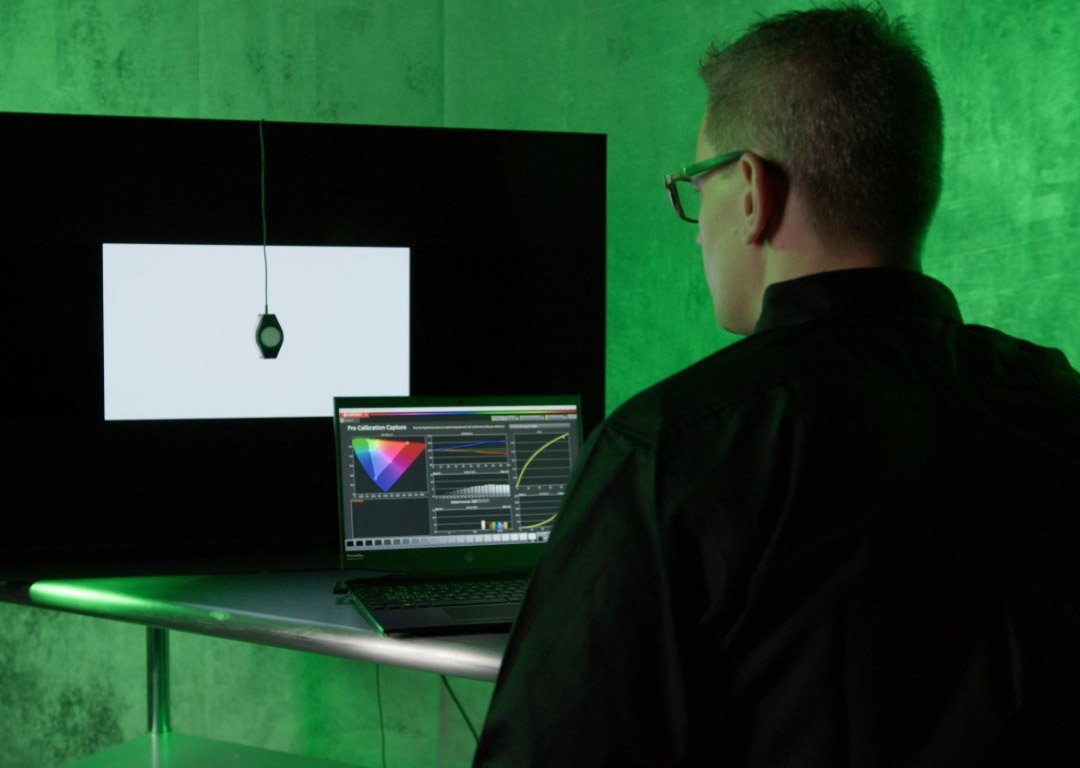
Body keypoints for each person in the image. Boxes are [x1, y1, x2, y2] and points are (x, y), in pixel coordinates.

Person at [473, 5, 1080, 767]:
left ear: (752, 191)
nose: (698, 227)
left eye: (699, 182)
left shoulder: (666, 451)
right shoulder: (1060, 404)